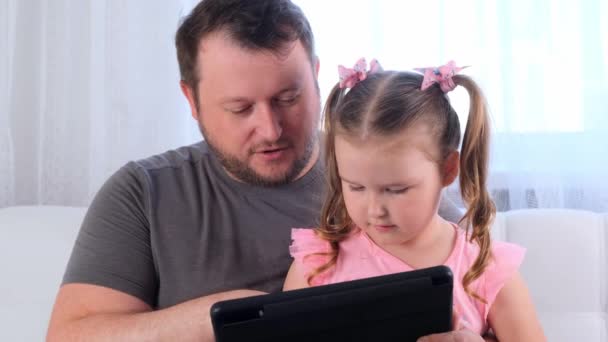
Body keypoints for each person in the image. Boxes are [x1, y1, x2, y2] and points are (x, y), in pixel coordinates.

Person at [46, 1, 470, 341]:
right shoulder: (142, 193)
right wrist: (229, 316)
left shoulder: (386, 175)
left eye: (288, 98)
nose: (270, 129)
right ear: (190, 100)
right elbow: (70, 335)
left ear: (317, 77)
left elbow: (480, 301)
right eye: (240, 108)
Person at [284, 59, 546, 341]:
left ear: (447, 169)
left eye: (396, 190)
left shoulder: (483, 268)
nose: (375, 210)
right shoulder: (319, 261)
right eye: (356, 187)